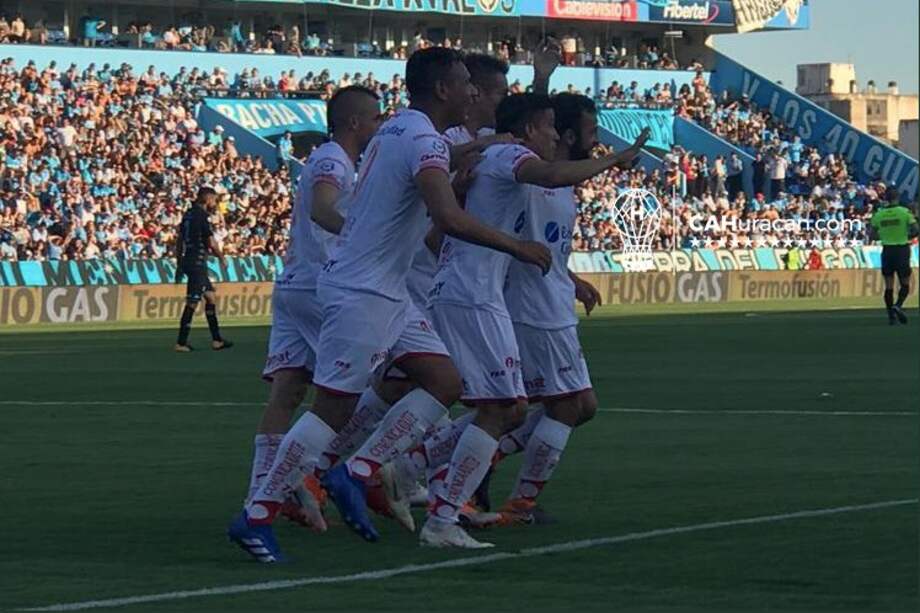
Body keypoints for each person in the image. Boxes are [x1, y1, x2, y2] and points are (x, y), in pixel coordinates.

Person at [229, 47, 551, 561]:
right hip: (364, 291)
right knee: (332, 407)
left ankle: (355, 472)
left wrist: (469, 157)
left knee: (445, 381)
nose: (472, 90)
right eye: (466, 82)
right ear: (443, 90)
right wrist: (520, 246)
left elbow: (427, 181)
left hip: (386, 290)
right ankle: (256, 514)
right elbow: (446, 217)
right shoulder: (420, 138)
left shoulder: (399, 129)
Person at [424, 93, 650, 548]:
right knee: (531, 407)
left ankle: (429, 480)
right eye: (548, 126)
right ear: (534, 129)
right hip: (498, 302)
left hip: (490, 296)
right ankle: (438, 500)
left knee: (514, 407)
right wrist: (615, 159)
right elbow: (543, 173)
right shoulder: (514, 161)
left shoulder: (504, 161)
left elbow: (443, 233)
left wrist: (565, 276)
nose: (552, 134)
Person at [236, 86, 383, 545]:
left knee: (287, 389)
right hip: (322, 286)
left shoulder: (339, 159)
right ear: (355, 122)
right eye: (375, 118)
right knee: (371, 383)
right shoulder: (333, 159)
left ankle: (262, 495)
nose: (379, 126)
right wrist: (361, 236)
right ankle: (308, 474)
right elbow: (322, 208)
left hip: (296, 283)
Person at [173, 187, 233, 352]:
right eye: (214, 200)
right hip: (197, 261)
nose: (214, 204)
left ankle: (217, 340)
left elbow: (179, 240)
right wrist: (221, 257)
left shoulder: (188, 215)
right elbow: (211, 242)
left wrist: (179, 262)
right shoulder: (201, 217)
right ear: (207, 199)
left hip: (188, 260)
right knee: (192, 302)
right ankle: (181, 342)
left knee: (211, 297)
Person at [868, 190, 918, 325]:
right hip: (901, 249)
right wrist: (906, 236)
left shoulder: (879, 215)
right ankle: (898, 305)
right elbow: (916, 230)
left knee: (888, 285)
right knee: (905, 283)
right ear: (897, 198)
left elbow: (872, 235)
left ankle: (891, 317)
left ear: (886, 199)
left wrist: (885, 235)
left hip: (887, 251)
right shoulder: (904, 212)